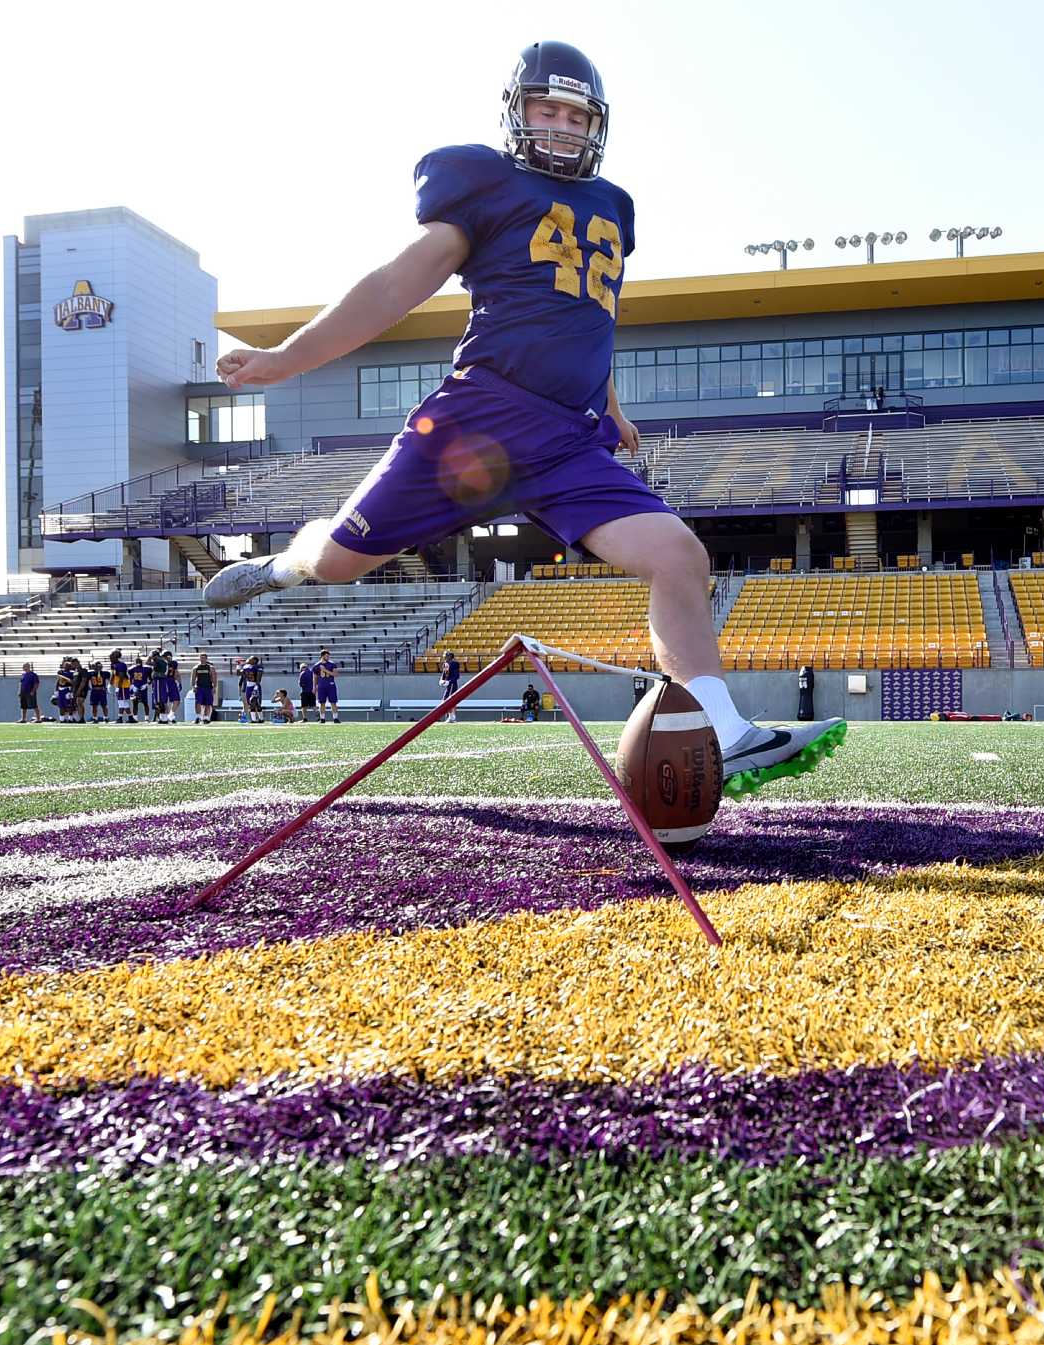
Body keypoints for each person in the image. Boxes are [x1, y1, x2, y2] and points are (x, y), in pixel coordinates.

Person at [200, 40, 842, 794]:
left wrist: (610, 402)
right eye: (549, 109)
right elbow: (395, 285)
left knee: (679, 557)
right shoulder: (484, 181)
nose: (565, 126)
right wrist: (289, 357)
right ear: (518, 112)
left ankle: (723, 731)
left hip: (569, 438)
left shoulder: (613, 207)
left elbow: (592, 312)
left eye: (578, 114)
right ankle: (276, 567)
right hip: (479, 423)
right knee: (339, 561)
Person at [314, 647, 340, 723]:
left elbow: (335, 674)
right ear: (322, 656)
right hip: (321, 686)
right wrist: (314, 686)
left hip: (330, 685)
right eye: (326, 656)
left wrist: (325, 670)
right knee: (322, 702)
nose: (328, 657)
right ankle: (322, 718)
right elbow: (315, 677)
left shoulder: (332, 664)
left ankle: (335, 718)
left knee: (333, 702)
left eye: (328, 656)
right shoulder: (317, 665)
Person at [193, 652, 217, 725]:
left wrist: (214, 687)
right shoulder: (196, 668)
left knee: (208, 703)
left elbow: (214, 677)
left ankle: (206, 718)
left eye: (204, 658)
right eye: (201, 657)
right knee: (198, 702)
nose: (202, 659)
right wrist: (193, 686)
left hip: (208, 687)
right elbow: (193, 678)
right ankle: (198, 717)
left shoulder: (210, 667)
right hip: (199, 687)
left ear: (206, 659)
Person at [128, 653, 153, 722]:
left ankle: (146, 718)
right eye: (137, 662)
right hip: (135, 688)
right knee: (135, 703)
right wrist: (132, 685)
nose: (138, 663)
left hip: (143, 688)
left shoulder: (147, 669)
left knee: (145, 703)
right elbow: (129, 678)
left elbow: (151, 678)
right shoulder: (131, 669)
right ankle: (135, 718)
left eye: (139, 661)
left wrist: (146, 685)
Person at [441, 650, 463, 722]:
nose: (445, 657)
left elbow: (456, 676)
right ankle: (452, 716)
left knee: (447, 701)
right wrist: (441, 680)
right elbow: (444, 674)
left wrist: (449, 682)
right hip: (448, 685)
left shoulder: (454, 664)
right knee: (446, 701)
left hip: (452, 684)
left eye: (446, 656)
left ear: (450, 657)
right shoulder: (445, 664)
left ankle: (451, 717)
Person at [86, 658, 110, 723]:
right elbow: (86, 680)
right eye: (97, 666)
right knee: (94, 706)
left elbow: (110, 679)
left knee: (104, 705)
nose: (98, 667)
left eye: (99, 666)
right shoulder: (91, 673)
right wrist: (88, 686)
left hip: (102, 690)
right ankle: (95, 718)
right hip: (94, 691)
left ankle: (106, 718)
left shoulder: (104, 673)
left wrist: (107, 687)